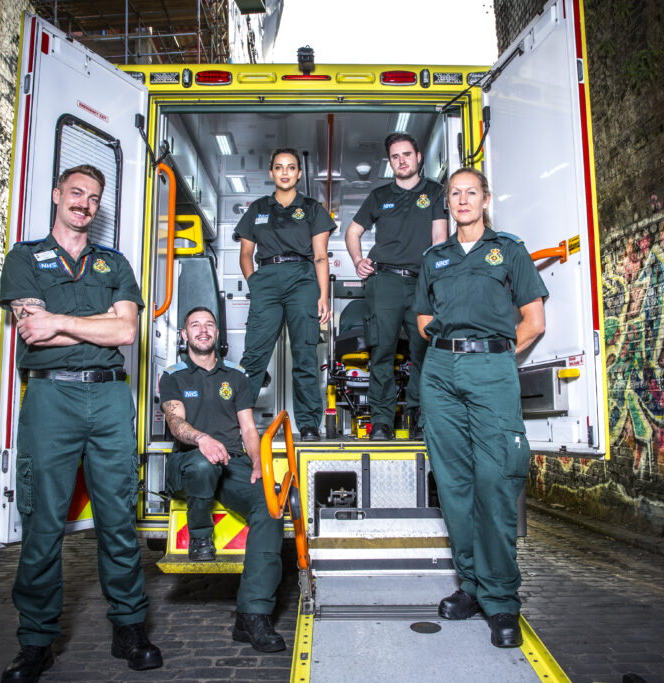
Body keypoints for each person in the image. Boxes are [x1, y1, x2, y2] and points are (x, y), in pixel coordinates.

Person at [0, 164, 160, 682]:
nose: (85, 204)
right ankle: (36, 642)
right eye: (76, 193)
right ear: (56, 196)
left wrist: (62, 321)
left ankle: (130, 628)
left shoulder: (114, 263)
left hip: (110, 400)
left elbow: (127, 333)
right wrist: (97, 328)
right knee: (43, 523)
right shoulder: (24, 258)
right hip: (51, 400)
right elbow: (33, 335)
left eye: (93, 198)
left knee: (118, 520)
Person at [414, 167, 548, 649]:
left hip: (492, 371)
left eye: (472, 192)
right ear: (447, 203)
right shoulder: (435, 257)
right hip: (441, 374)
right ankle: (471, 587)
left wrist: (491, 355)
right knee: (455, 485)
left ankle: (502, 600)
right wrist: (451, 349)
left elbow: (534, 321)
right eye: (455, 194)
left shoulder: (508, 250)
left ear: (486, 199)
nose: (463, 200)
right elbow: (424, 316)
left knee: (496, 481)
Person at [159, 307, 287, 653]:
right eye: (195, 325)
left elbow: (248, 428)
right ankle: (200, 538)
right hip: (190, 462)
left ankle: (252, 615)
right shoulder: (172, 377)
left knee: (271, 507)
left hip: (233, 464)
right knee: (203, 465)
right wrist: (202, 439)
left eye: (209, 325)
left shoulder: (237, 376)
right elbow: (176, 424)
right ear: (184, 336)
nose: (203, 330)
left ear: (218, 334)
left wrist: (259, 465)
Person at [345, 133, 448, 440]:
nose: (402, 161)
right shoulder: (378, 196)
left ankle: (418, 418)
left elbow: (440, 239)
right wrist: (357, 260)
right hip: (384, 281)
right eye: (395, 157)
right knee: (382, 352)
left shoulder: (435, 192)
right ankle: (381, 422)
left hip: (420, 282)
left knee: (423, 351)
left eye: (406, 154)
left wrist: (435, 280)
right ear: (390, 162)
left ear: (418, 157)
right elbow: (353, 232)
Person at [236, 148, 335, 441]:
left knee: (304, 354)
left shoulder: (313, 208)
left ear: (299, 173)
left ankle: (307, 425)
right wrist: (255, 283)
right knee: (254, 356)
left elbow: (320, 256)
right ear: (271, 173)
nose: (285, 172)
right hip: (265, 278)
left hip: (302, 280)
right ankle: (238, 424)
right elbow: (245, 255)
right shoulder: (257, 208)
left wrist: (323, 296)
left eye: (291, 167)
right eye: (279, 167)